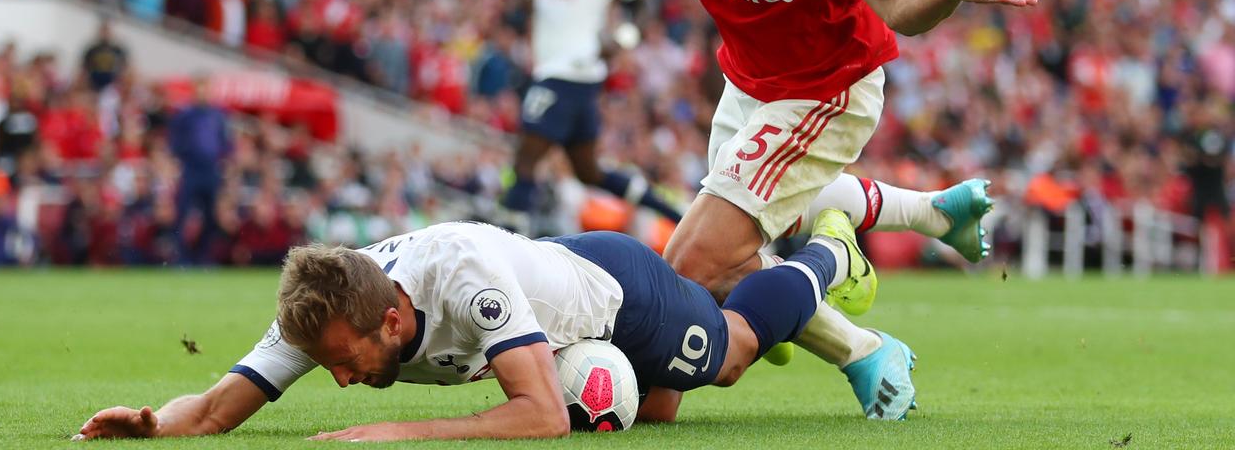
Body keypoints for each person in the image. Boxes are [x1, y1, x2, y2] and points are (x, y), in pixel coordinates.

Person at [310, 0, 1040, 419]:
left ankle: (838, 271)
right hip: (747, 85)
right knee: (672, 371)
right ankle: (919, 231)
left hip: (828, 88)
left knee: (687, 266)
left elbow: (900, 1)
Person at [73, 215, 877, 441]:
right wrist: (148, 424)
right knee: (654, 416)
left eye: (349, 366)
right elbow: (214, 411)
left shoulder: (459, 275)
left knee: (731, 355)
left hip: (613, 287)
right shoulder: (322, 312)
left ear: (391, 316)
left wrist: (397, 430)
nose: (341, 381)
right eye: (332, 371)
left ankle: (827, 255)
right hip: (545, 302)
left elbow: (543, 418)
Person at [503, 0, 681, 232]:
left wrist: (622, 40)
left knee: (526, 158)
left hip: (573, 70)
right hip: (550, 66)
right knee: (588, 172)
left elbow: (644, 3)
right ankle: (673, 213)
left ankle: (506, 236)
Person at [167, 77, 233, 264]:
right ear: (194, 91)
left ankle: (203, 256)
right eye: (200, 89)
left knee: (211, 215)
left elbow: (226, 143)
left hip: (211, 170)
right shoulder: (184, 115)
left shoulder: (218, 115)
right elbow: (175, 142)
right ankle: (182, 258)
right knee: (182, 212)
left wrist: (226, 164)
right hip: (190, 169)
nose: (203, 93)